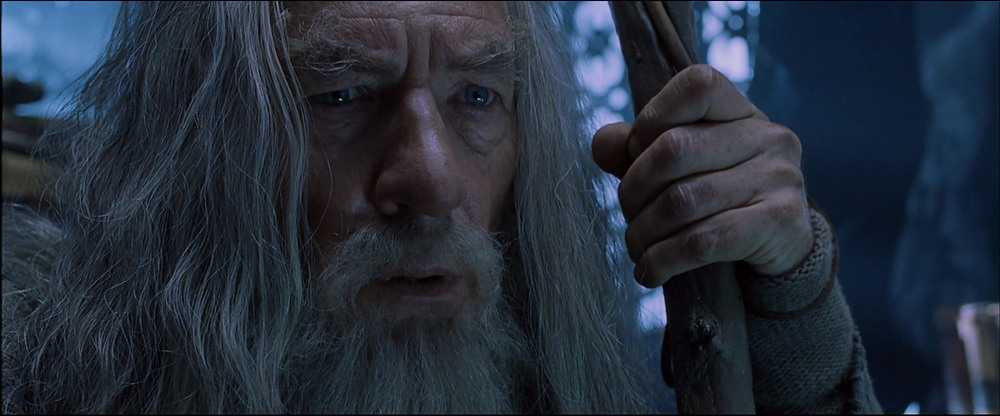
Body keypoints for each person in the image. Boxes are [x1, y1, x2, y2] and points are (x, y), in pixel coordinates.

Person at [1, 1, 883, 413]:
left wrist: (787, 300)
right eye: (341, 97)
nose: (432, 182)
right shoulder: (39, 374)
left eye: (476, 98)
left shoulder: (548, 373)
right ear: (201, 143)